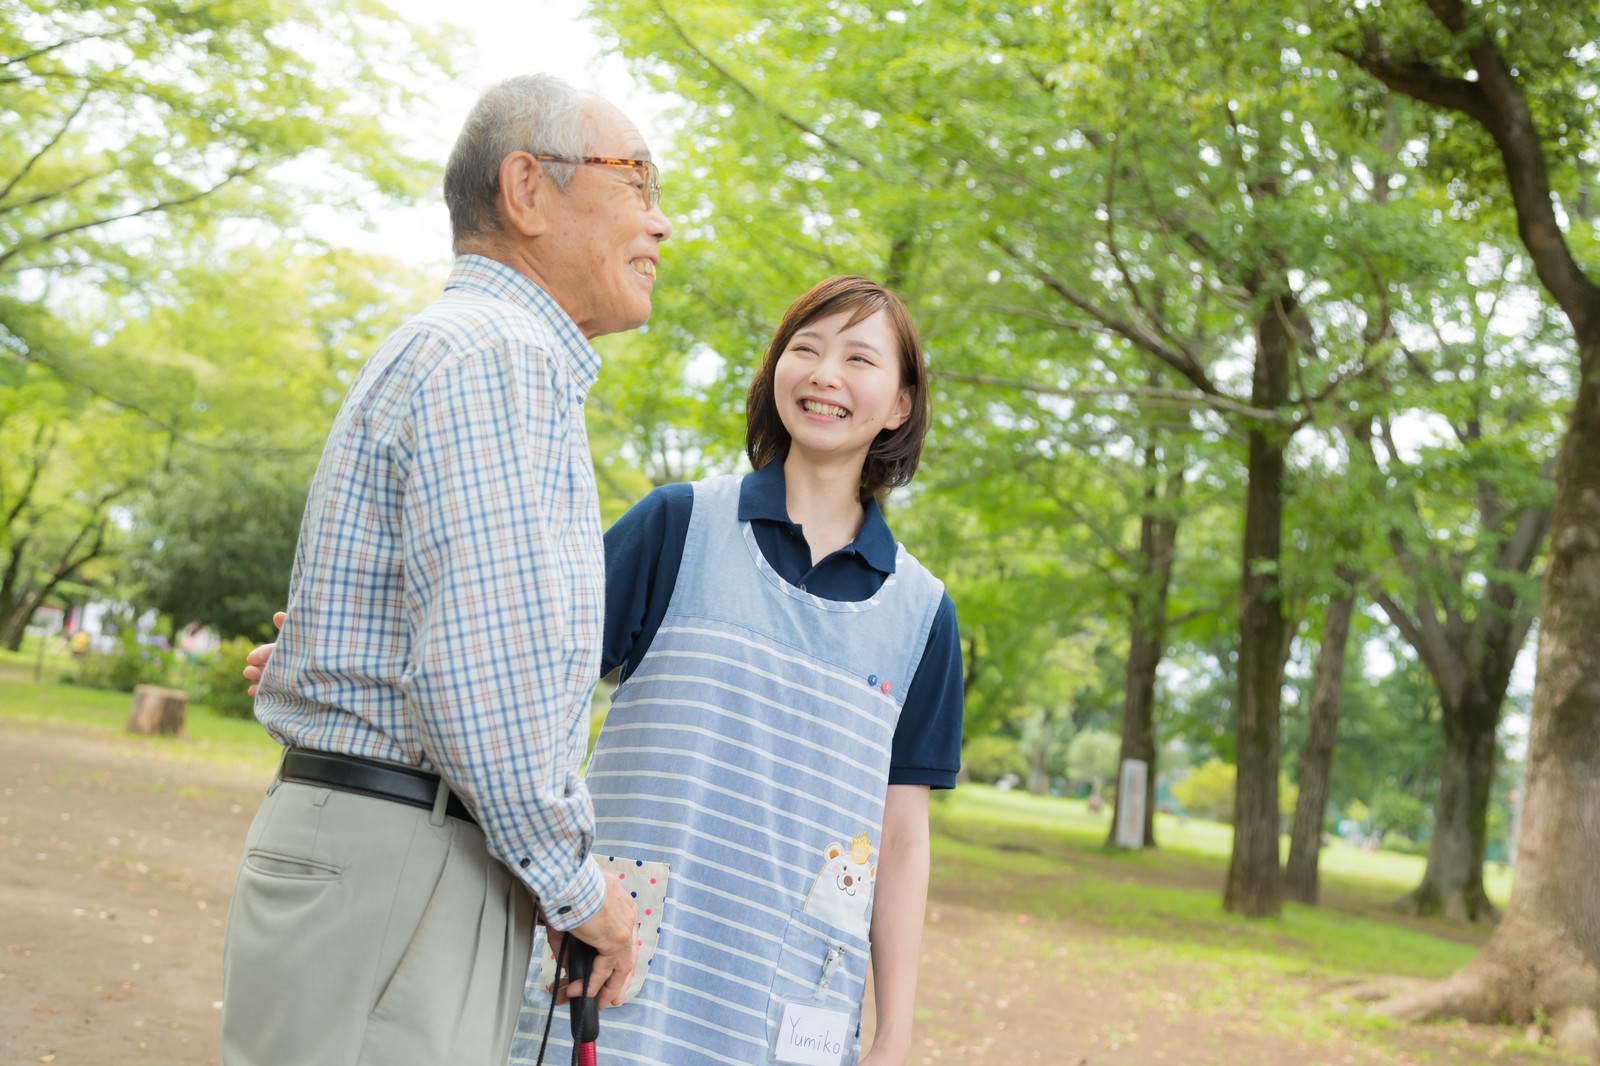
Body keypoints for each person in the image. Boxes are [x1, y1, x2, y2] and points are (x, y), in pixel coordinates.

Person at [221, 73, 671, 1066]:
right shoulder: (495, 357)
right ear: (526, 189)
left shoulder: (485, 355)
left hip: (416, 850)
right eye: (636, 180)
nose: (663, 220)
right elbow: (484, 679)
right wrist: (582, 887)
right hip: (407, 856)